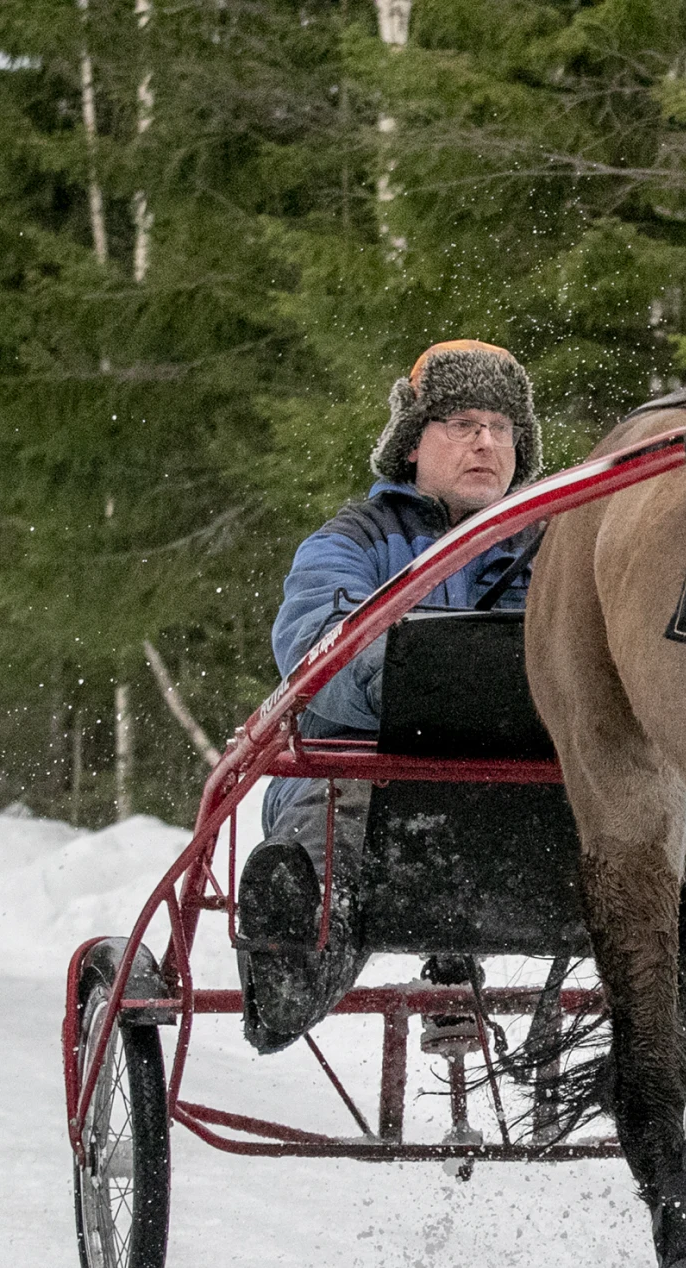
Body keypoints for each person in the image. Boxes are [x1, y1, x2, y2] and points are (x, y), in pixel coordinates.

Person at [237, 339, 543, 1055]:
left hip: (525, 799)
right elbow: (316, 644)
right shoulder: (355, 539)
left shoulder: (549, 546)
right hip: (361, 783)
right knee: (342, 833)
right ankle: (293, 962)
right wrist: (435, 685)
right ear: (412, 443)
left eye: (502, 427)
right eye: (463, 422)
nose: (486, 442)